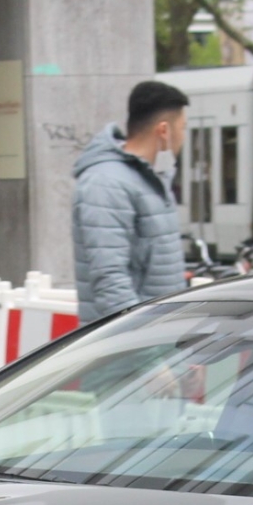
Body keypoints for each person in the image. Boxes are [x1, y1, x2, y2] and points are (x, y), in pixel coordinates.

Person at [72, 81, 189, 323]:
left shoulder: (149, 179)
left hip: (158, 340)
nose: (184, 137)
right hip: (132, 350)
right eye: (183, 128)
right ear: (164, 130)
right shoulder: (106, 183)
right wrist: (145, 349)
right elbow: (110, 280)